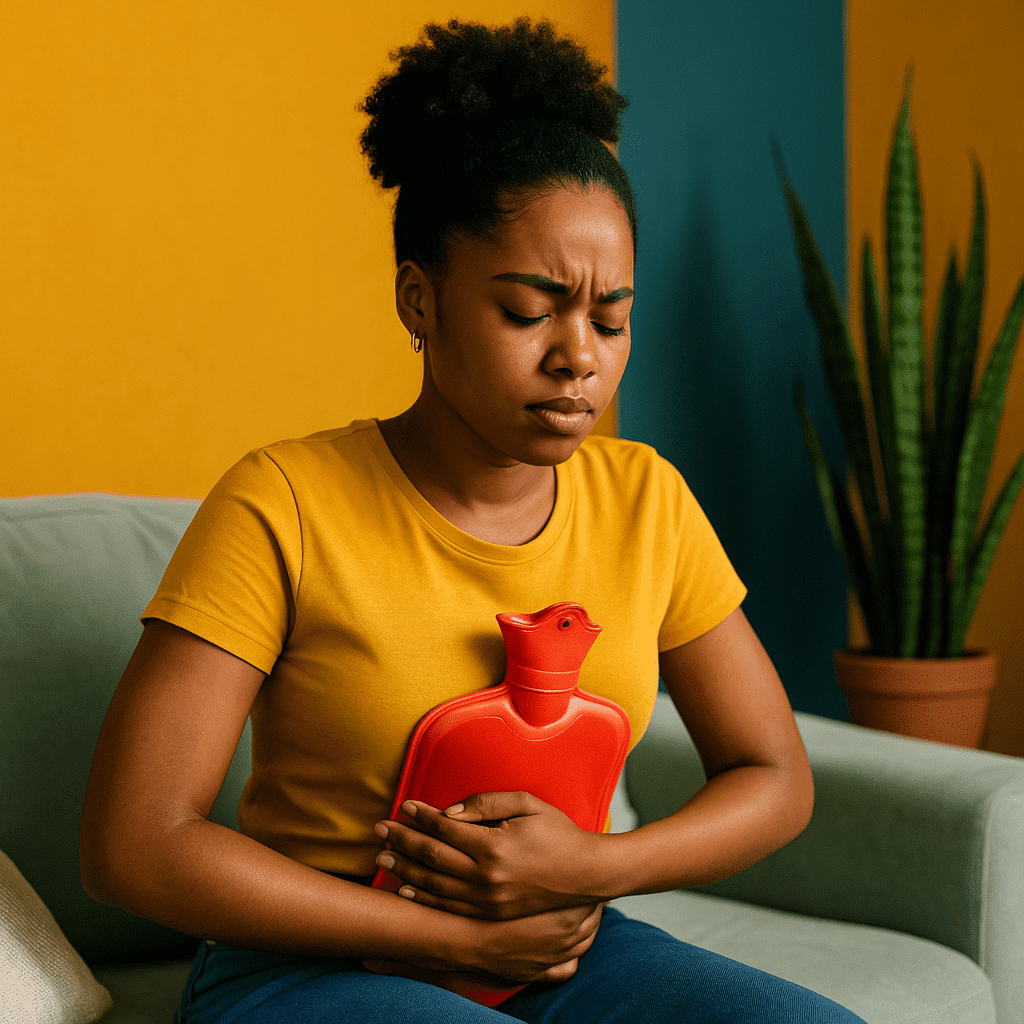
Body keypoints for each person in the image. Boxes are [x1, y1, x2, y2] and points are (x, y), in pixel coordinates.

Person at [80, 17, 868, 1024]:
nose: (578, 354)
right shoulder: (282, 503)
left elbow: (774, 776)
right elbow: (131, 840)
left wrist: (596, 863)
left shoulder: (646, 502)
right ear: (421, 298)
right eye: (531, 310)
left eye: (610, 318)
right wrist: (454, 935)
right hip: (307, 965)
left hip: (565, 945)